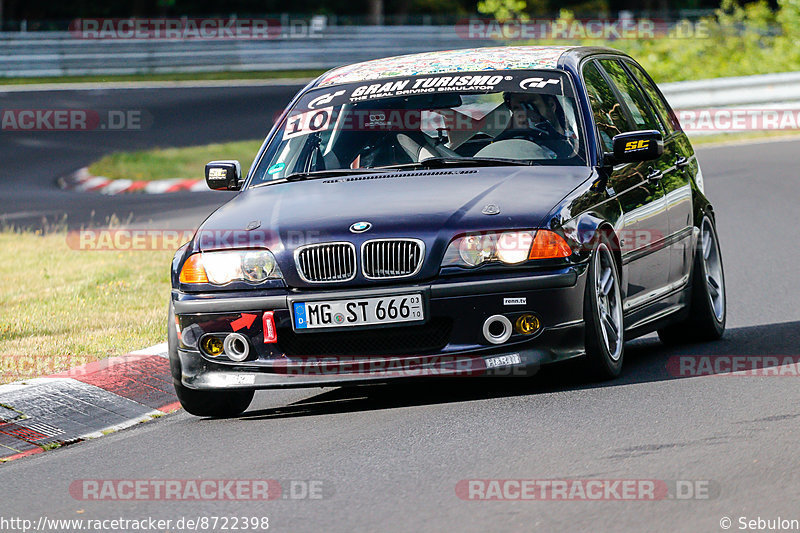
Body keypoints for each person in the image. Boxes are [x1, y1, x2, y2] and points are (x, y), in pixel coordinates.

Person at [494, 92, 576, 159]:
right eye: (517, 108)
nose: (525, 113)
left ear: (551, 105)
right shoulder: (509, 149)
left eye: (531, 106)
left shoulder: (578, 144)